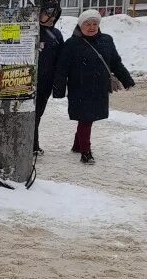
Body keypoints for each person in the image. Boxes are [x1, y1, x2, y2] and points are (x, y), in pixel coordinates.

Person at [52, 10, 134, 165]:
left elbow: (115, 63)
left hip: (99, 88)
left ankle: (77, 145)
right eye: (87, 24)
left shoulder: (106, 40)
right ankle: (86, 153)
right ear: (80, 26)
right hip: (79, 88)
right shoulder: (71, 44)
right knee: (86, 119)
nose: (91, 27)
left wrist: (127, 80)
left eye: (94, 24)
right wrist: (59, 90)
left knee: (88, 119)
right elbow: (62, 69)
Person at [33, 3, 64, 155]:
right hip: (27, 81)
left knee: (37, 114)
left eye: (54, 14)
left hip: (46, 83)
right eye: (47, 14)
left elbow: (62, 61)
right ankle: (32, 143)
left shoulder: (56, 35)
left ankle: (33, 143)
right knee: (28, 114)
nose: (51, 17)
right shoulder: (31, 31)